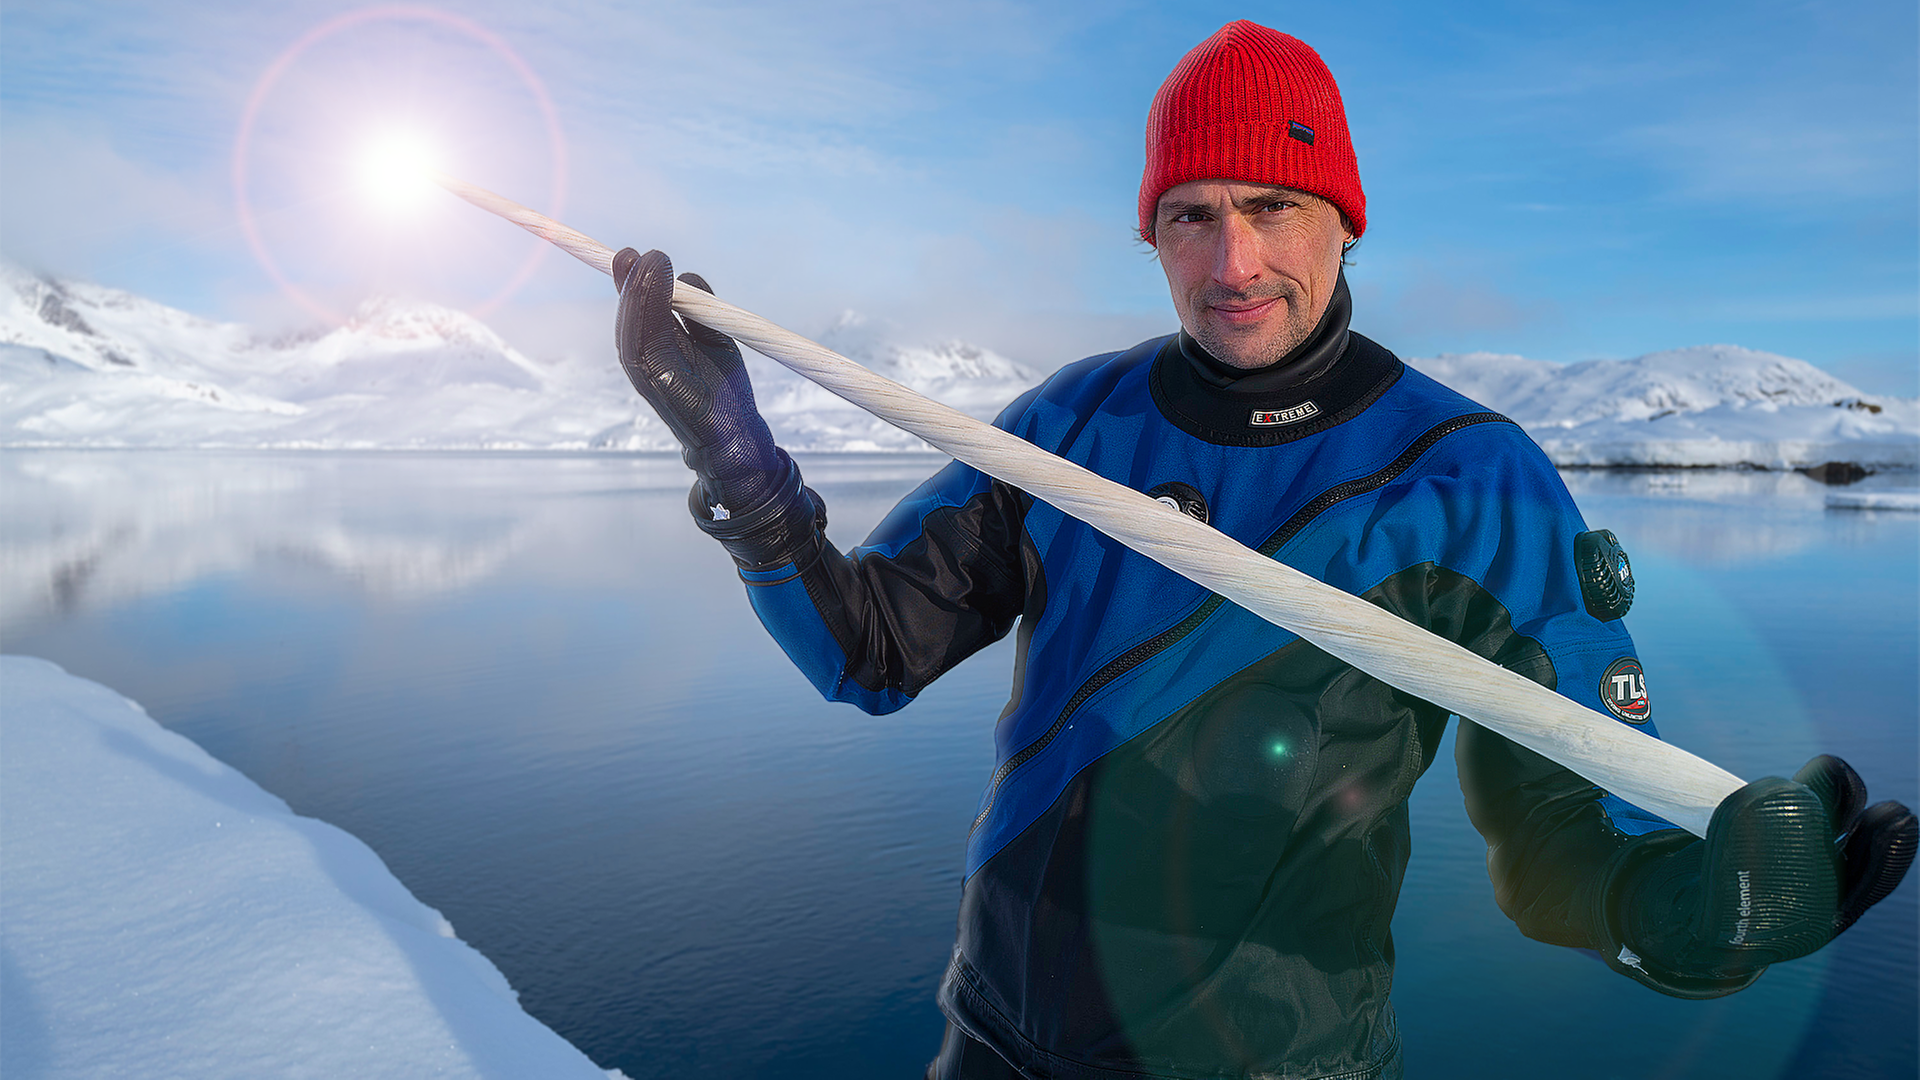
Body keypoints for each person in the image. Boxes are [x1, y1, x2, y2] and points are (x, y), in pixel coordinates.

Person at [607, 21, 1915, 1080]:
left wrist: (1696, 923)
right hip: (998, 1041)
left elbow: (1566, 840)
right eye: (1191, 213)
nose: (1232, 259)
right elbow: (870, 656)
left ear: (1343, 218)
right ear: (1151, 232)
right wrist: (736, 457)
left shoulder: (1470, 481)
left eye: (1272, 205)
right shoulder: (1073, 423)